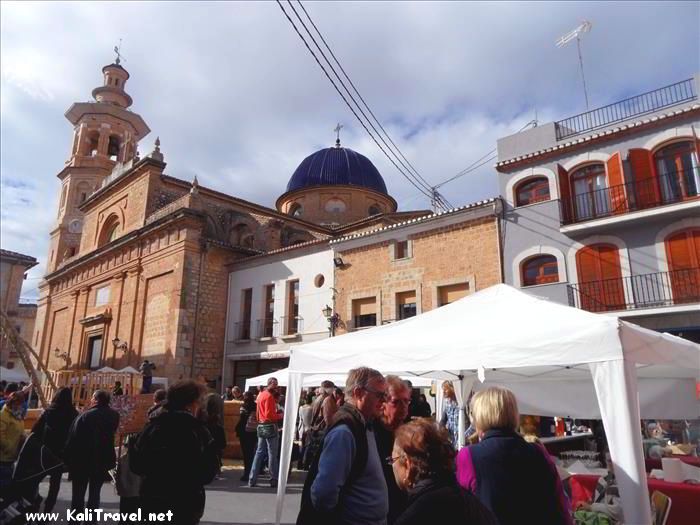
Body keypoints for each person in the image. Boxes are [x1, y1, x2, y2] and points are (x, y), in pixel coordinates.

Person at [456, 387, 573, 525]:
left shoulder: (468, 456)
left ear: (480, 417)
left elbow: (460, 508)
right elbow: (559, 503)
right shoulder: (537, 451)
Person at [297, 367, 388, 525]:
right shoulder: (345, 432)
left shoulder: (364, 424)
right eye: (379, 395)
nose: (384, 401)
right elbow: (323, 494)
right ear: (358, 393)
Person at [130, 380, 219, 525]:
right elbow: (208, 472)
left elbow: (137, 465)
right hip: (185, 502)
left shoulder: (151, 427)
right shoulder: (198, 431)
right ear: (191, 404)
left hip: (152, 498)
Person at [390, 419, 496, 525]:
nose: (392, 466)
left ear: (407, 464)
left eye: (393, 460)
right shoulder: (473, 505)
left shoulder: (414, 515)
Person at [64, 389, 120, 513]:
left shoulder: (85, 416)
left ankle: (76, 519)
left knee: (78, 495)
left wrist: (68, 459)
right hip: (102, 460)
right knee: (95, 495)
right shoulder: (114, 415)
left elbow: (73, 438)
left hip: (83, 460)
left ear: (95, 399)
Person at [31, 387, 79, 512]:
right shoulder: (74, 415)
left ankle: (34, 502)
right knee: (55, 485)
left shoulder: (49, 412)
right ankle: (47, 511)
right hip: (60, 455)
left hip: (44, 452)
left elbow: (35, 430)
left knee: (35, 479)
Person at [374, 376, 411, 524]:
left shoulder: (410, 432)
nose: (403, 407)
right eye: (396, 402)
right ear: (382, 404)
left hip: (404, 507)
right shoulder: (373, 433)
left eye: (406, 401)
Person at [248, 377, 283, 488]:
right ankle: (273, 479)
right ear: (270, 384)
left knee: (259, 452)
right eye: (275, 385)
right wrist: (281, 415)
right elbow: (269, 415)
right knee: (272, 454)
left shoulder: (261, 395)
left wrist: (260, 421)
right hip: (270, 425)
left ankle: (252, 479)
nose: (276, 387)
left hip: (261, 425)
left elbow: (259, 413)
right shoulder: (269, 396)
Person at [303, 380, 337, 469]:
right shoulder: (327, 400)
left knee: (315, 452)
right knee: (320, 454)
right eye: (332, 388)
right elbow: (327, 418)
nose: (333, 390)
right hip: (321, 429)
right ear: (328, 389)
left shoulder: (319, 398)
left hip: (316, 428)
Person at [0, 391, 26, 487]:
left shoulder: (18, 415)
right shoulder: (3, 415)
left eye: (21, 404)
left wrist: (24, 437)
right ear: (12, 402)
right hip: (3, 456)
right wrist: (9, 447)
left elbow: (19, 430)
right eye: (17, 403)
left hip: (12, 456)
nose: (19, 406)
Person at [236, 390, 258, 482]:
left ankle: (247, 473)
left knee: (246, 454)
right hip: (254, 432)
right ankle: (253, 473)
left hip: (244, 433)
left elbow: (242, 420)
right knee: (253, 453)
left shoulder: (243, 407)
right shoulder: (256, 406)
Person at [203, 393, 227, 471]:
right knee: (218, 448)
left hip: (211, 426)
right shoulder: (219, 399)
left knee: (212, 448)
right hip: (219, 425)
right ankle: (218, 465)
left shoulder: (208, 399)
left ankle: (214, 467)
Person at [440, 382, 461, 448]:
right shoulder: (447, 404)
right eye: (443, 390)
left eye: (445, 390)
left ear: (453, 388)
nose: (443, 392)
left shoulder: (462, 403)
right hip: (452, 442)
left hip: (463, 442)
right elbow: (443, 420)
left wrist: (464, 437)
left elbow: (473, 424)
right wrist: (442, 429)